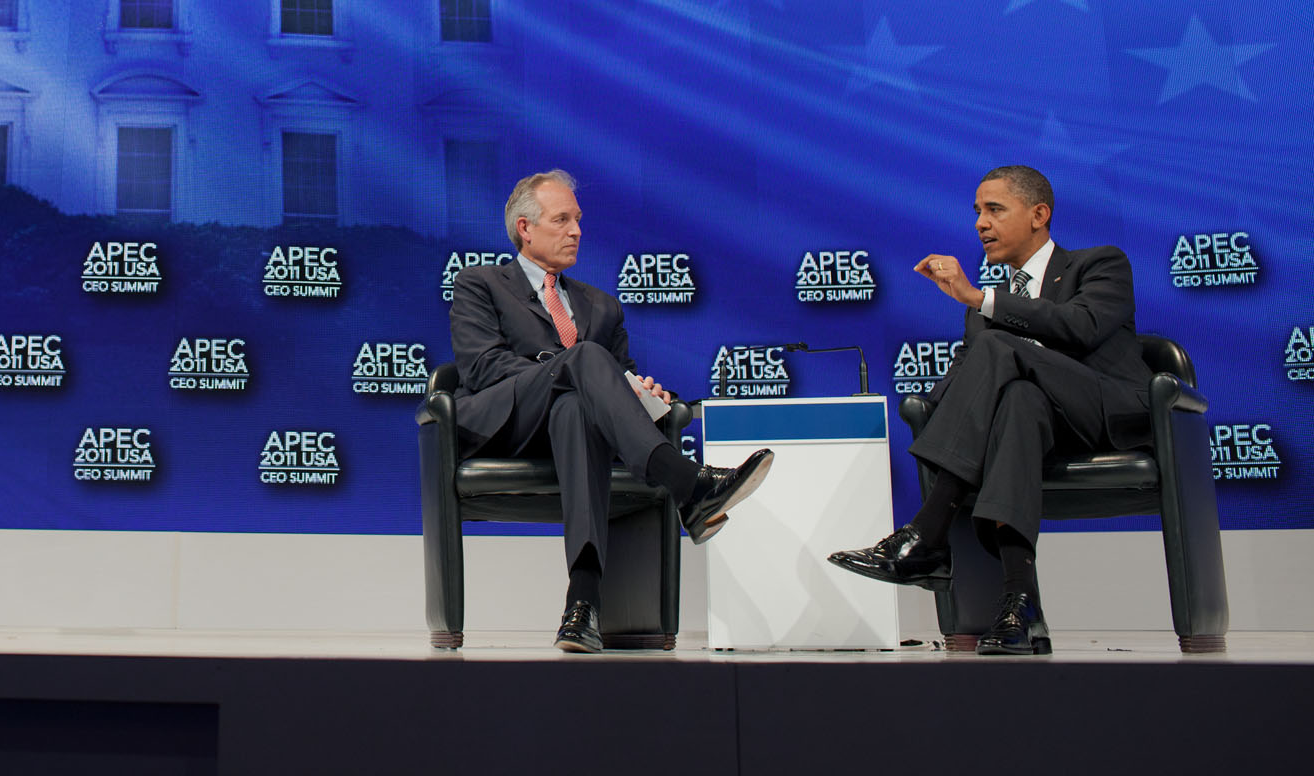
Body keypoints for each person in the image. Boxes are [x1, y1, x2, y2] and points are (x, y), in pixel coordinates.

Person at [828, 165, 1153, 655]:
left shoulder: (1100, 264)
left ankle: (926, 533)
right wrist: (927, 411)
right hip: (1034, 429)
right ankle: (1020, 607)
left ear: (1039, 215)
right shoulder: (985, 309)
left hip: (1103, 416)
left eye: (995, 210)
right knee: (1019, 402)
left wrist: (983, 299)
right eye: (977, 211)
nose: (980, 223)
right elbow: (965, 378)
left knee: (1000, 349)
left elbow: (1082, 327)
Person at [450, 169, 773, 653]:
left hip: (576, 431)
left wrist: (642, 395)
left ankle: (582, 606)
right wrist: (568, 366)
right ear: (525, 228)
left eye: (577, 220)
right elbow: (483, 367)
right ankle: (688, 483)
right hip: (509, 422)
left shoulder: (601, 307)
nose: (576, 230)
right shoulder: (480, 284)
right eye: (562, 220)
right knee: (582, 362)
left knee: (578, 410)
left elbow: (614, 386)